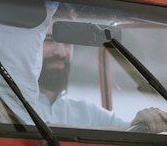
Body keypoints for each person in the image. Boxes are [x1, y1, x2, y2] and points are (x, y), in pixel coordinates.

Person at [37, 12, 167, 132]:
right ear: (29, 47)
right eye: (48, 40)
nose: (61, 52)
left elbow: (130, 132)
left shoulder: (88, 113)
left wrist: (148, 121)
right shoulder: (17, 108)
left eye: (67, 43)